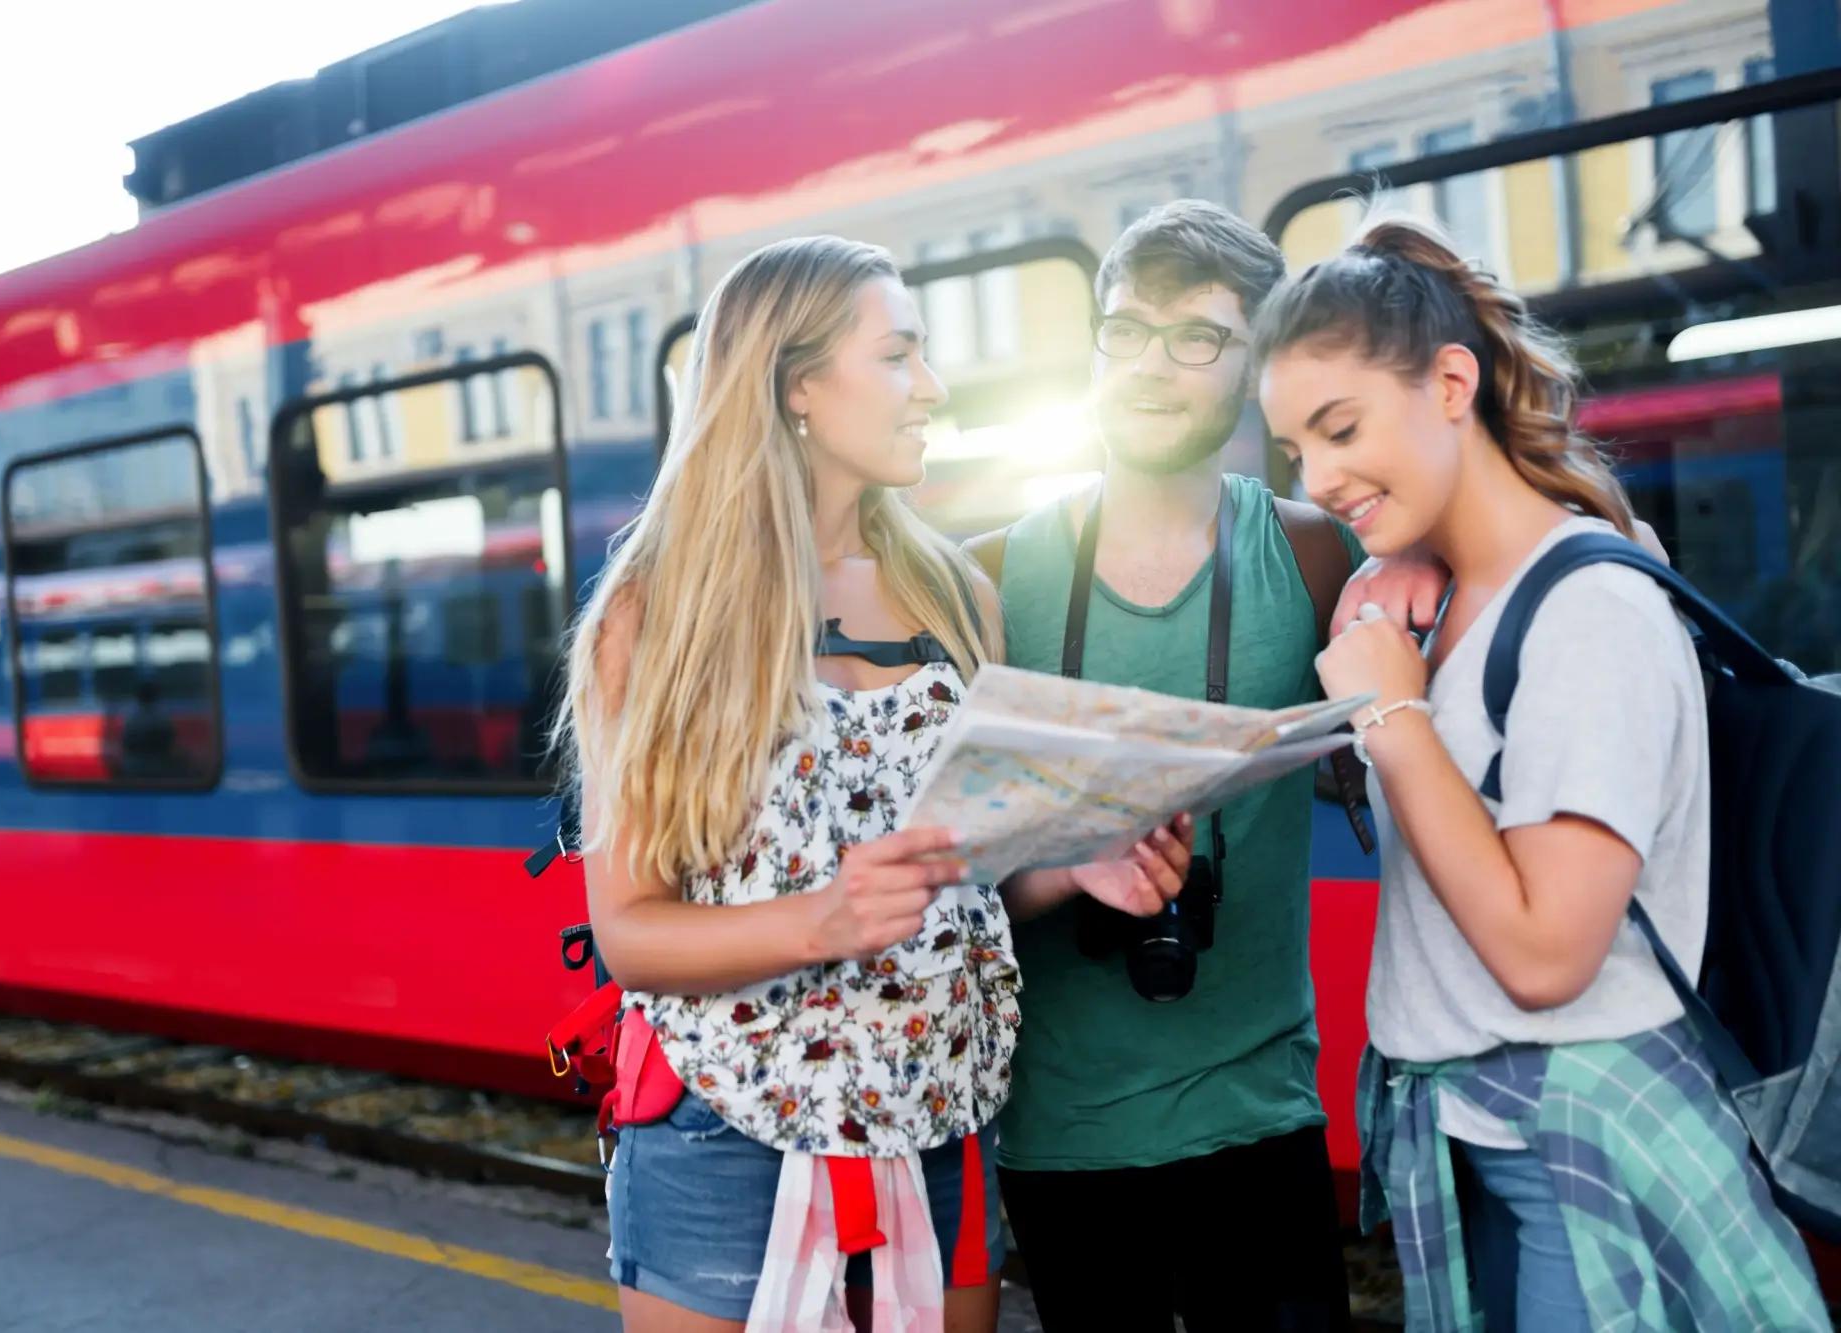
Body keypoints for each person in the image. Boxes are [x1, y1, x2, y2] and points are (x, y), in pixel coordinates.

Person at [553, 234, 1189, 1332]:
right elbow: (632, 934)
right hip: (722, 1139)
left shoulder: (951, 595)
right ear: (798, 385)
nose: (930, 387)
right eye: (897, 355)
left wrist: (1074, 866)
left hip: (934, 1122)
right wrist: (822, 919)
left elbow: (961, 880)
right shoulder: (653, 618)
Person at [1256, 209, 1832, 1332]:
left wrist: (1390, 711)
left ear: (1450, 382)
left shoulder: (1588, 612)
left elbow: (1542, 952)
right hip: (1475, 1139)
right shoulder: (1442, 602)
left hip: (1585, 1152)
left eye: (1340, 428)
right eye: (1293, 451)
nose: (1318, 478)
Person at [963, 199, 1445, 1332]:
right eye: (1125, 330)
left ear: (1256, 364)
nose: (1150, 364)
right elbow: (944, 870)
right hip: (1058, 1132)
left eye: (1198, 336)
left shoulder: (1319, 551)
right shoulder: (987, 578)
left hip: (1261, 1114)